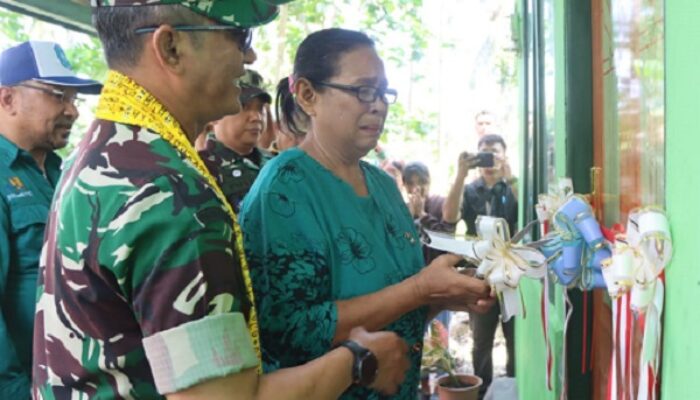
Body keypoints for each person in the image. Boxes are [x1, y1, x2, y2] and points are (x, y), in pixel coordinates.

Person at [32, 3, 409, 399]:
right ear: (170, 47)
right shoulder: (167, 192)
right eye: (238, 36)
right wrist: (359, 359)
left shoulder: (104, 153)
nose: (250, 56)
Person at [239, 28, 495, 400]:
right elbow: (290, 331)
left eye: (382, 93)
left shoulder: (383, 185)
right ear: (308, 95)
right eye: (362, 90)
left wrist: (443, 295)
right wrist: (420, 289)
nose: (377, 105)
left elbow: (396, 304)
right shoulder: (285, 188)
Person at [0, 40, 102, 400]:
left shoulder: (66, 174)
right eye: (58, 95)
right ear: (7, 99)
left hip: (78, 380)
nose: (72, 111)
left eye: (75, 99)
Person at [442, 133, 518, 398]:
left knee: (515, 337)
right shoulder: (471, 189)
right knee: (482, 341)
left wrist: (511, 180)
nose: (489, 159)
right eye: (483, 153)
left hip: (513, 274)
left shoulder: (513, 186)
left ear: (504, 155)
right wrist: (461, 174)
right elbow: (449, 216)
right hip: (483, 272)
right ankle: (483, 391)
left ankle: (514, 387)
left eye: (494, 152)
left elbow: (528, 215)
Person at [199, 69, 274, 211]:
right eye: (244, 107)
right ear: (215, 114)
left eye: (260, 109)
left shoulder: (275, 163)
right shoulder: (201, 170)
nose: (256, 117)